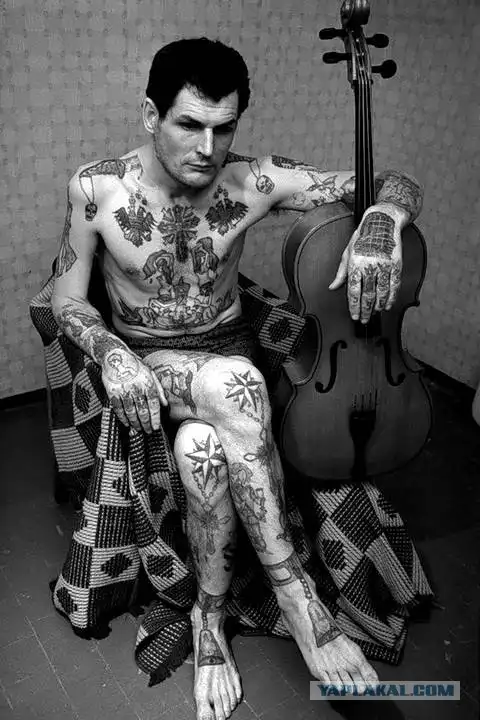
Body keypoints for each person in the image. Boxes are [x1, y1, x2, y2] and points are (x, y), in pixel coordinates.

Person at [51, 37, 424, 720]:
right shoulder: (97, 189)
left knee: (203, 454)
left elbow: (393, 182)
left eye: (224, 128)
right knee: (233, 387)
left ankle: (209, 620)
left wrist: (384, 220)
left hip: (228, 352)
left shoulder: (252, 181)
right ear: (150, 115)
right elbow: (66, 298)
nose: (207, 147)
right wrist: (108, 351)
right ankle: (298, 597)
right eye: (189, 124)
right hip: (150, 364)